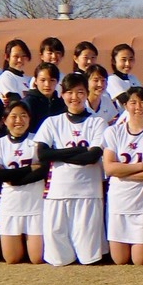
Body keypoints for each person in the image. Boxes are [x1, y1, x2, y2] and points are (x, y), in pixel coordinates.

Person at [34, 72, 108, 266]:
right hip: (58, 191)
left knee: (88, 254)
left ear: (86, 93)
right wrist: (78, 150)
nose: (74, 97)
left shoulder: (97, 122)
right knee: (58, 251)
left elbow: (92, 157)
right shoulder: (52, 122)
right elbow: (43, 154)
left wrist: (59, 153)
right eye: (69, 92)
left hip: (88, 192)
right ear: (62, 94)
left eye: (80, 92)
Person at [101, 86, 143, 266]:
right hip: (119, 200)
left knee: (140, 260)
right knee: (119, 260)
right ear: (125, 106)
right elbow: (110, 168)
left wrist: (125, 172)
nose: (138, 107)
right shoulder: (113, 132)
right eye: (133, 102)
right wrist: (141, 166)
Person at [0, 102, 47, 264]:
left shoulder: (37, 142)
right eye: (13, 116)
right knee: (12, 259)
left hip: (35, 205)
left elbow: (42, 171)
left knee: (37, 259)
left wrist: (12, 178)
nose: (19, 120)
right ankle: (0, 242)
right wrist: (28, 169)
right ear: (4, 120)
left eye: (23, 115)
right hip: (10, 206)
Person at [23, 62, 66, 127]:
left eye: (52, 80)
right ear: (36, 81)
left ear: (57, 81)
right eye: (43, 80)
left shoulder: (60, 104)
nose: (47, 85)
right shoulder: (28, 103)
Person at [0, 39, 32, 103]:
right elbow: (14, 102)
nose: (20, 60)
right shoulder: (6, 77)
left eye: (23, 56)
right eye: (16, 56)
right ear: (7, 57)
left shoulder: (27, 79)